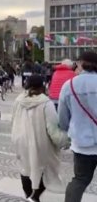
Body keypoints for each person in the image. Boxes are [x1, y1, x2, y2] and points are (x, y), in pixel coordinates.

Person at [11, 75, 69, 202]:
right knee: (44, 167)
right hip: (39, 141)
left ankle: (28, 195)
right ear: (42, 86)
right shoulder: (46, 103)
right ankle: (35, 196)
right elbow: (53, 129)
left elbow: (13, 120)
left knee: (25, 167)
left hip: (20, 139)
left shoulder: (18, 100)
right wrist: (64, 141)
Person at [59, 51, 97, 202]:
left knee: (80, 180)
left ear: (81, 63)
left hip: (82, 144)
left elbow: (62, 118)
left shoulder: (69, 86)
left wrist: (68, 129)